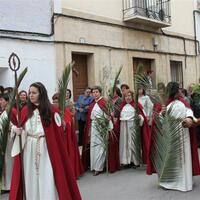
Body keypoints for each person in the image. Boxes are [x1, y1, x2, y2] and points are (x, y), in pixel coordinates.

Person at [10, 82, 81, 200]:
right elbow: (23, 129)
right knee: (31, 176)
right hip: (29, 149)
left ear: (41, 94)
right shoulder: (25, 110)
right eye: (29, 93)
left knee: (47, 175)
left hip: (47, 149)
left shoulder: (51, 110)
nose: (30, 95)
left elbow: (57, 136)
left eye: (34, 93)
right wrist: (17, 130)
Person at [147, 82, 200, 192]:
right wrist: (162, 114)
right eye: (177, 90)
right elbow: (158, 120)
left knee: (182, 157)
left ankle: (184, 182)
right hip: (170, 135)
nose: (179, 92)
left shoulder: (183, 102)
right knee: (170, 157)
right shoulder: (164, 103)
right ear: (174, 91)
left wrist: (189, 118)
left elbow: (189, 111)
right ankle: (169, 182)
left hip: (182, 133)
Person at [52, 92, 83, 178]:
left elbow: (69, 123)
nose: (54, 104)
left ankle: (71, 173)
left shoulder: (65, 111)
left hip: (67, 139)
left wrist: (65, 125)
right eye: (53, 102)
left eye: (56, 102)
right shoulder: (53, 111)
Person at [119, 90, 149, 167]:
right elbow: (118, 116)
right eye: (126, 96)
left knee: (133, 144)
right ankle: (126, 161)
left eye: (129, 96)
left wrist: (140, 118)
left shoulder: (136, 105)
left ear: (132, 97)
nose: (128, 98)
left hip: (133, 128)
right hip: (124, 128)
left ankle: (135, 161)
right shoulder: (122, 105)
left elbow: (142, 117)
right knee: (125, 144)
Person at [82, 86, 107, 176]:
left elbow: (107, 116)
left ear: (100, 92)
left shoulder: (103, 102)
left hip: (101, 127)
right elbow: (90, 117)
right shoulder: (93, 103)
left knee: (100, 146)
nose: (95, 94)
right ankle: (94, 166)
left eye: (97, 92)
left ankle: (99, 167)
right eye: (94, 92)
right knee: (94, 146)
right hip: (93, 127)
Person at [0, 89, 14, 191]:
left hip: (8, 141)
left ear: (7, 101)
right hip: (3, 140)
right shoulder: (4, 112)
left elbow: (13, 125)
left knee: (9, 162)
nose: (0, 102)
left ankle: (9, 185)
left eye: (1, 100)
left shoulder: (10, 112)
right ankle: (6, 184)